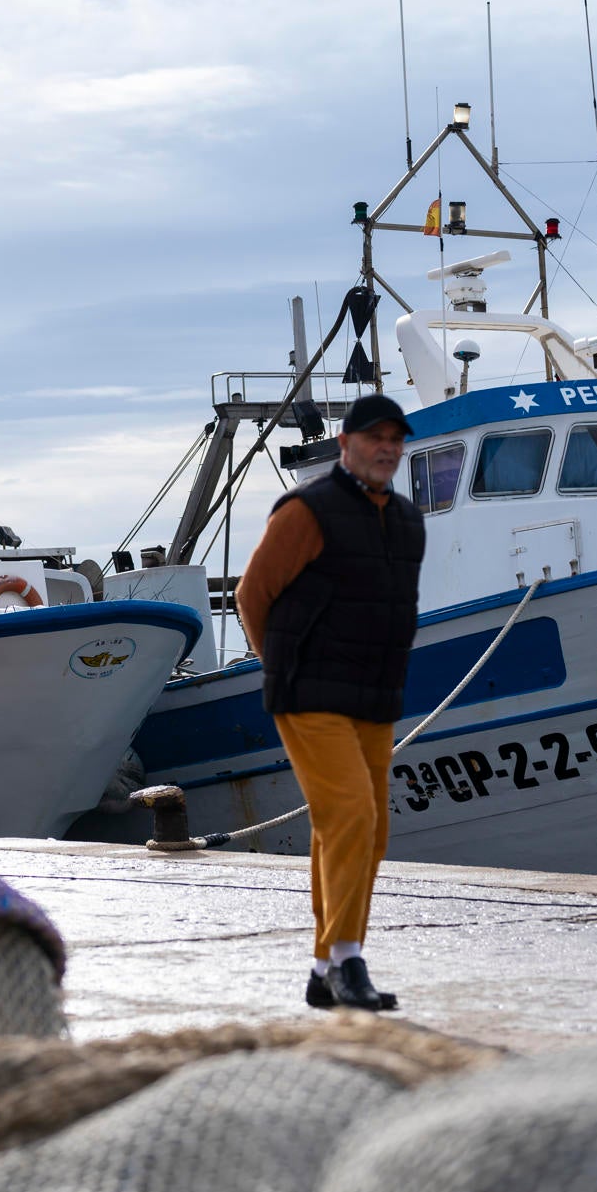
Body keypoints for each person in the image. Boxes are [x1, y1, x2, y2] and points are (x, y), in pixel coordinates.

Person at [235, 394, 424, 1012]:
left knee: (366, 831)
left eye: (395, 439)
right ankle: (347, 959)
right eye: (374, 437)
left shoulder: (405, 519)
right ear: (345, 445)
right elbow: (252, 595)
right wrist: (282, 666)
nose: (387, 449)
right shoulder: (306, 511)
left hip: (374, 695)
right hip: (310, 692)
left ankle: (323, 970)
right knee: (350, 817)